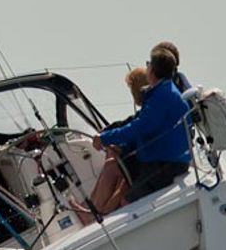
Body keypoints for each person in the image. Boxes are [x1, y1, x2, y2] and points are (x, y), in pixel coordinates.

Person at [94, 48, 192, 203]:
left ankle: (97, 215)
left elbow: (139, 127)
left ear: (152, 70)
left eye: (148, 64)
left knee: (126, 201)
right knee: (113, 167)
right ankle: (92, 213)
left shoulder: (162, 96)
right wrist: (122, 146)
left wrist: (105, 138)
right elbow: (143, 128)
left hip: (167, 165)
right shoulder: (162, 91)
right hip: (157, 158)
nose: (147, 68)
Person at [73, 67, 150, 224]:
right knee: (118, 171)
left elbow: (135, 130)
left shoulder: (148, 111)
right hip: (146, 162)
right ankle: (95, 209)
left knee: (111, 166)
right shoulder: (150, 108)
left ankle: (91, 212)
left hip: (146, 164)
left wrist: (118, 147)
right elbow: (128, 124)